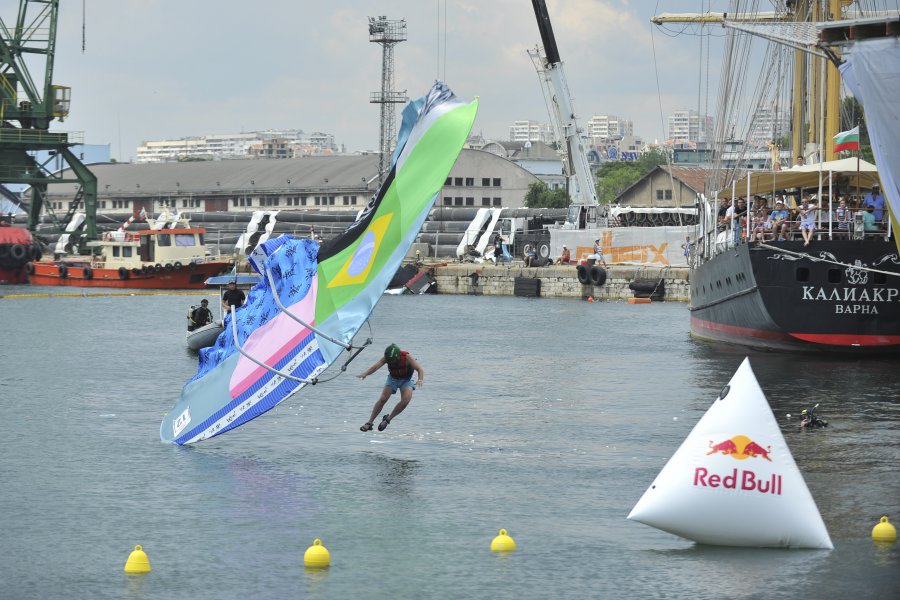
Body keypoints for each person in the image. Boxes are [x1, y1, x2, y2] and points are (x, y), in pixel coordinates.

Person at [358, 344, 424, 432]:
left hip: (406, 380)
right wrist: (366, 373)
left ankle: (388, 419)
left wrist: (420, 379)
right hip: (393, 378)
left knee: (406, 400)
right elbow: (376, 366)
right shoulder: (387, 358)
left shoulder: (407, 358)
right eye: (389, 361)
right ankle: (369, 423)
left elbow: (420, 369)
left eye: (392, 361)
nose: (391, 362)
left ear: (398, 356)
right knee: (383, 398)